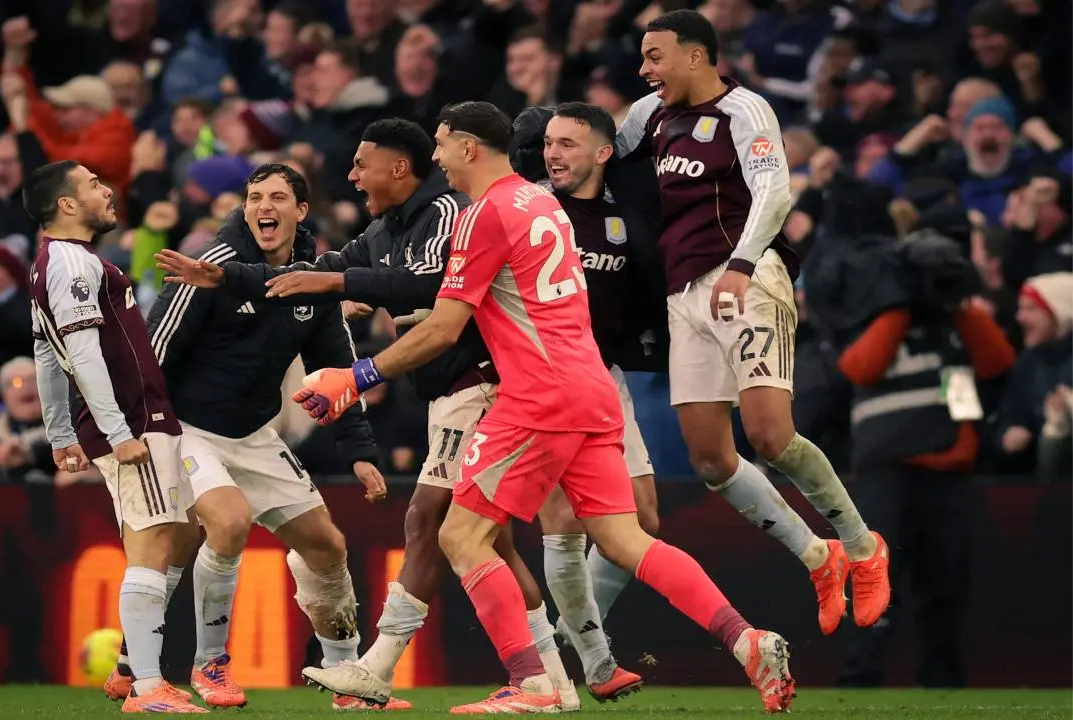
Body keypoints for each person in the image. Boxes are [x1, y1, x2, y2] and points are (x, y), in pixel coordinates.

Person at [295, 101, 795, 714]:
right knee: (623, 540)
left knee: (461, 535)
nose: (438, 160)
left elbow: (444, 328)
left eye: (444, 146)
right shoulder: (544, 205)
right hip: (591, 386)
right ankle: (747, 640)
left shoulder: (486, 214)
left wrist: (356, 374)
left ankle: (532, 683)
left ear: (471, 149)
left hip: (538, 395)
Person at [156, 121, 582, 709]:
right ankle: (555, 678)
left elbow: (423, 291)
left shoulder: (444, 214)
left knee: (432, 524)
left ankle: (380, 670)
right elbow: (297, 292)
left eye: (362, 164)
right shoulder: (374, 233)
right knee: (493, 538)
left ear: (397, 168)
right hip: (201, 427)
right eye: (255, 197)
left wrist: (356, 441)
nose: (353, 176)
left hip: (481, 384)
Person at [615, 9, 891, 636]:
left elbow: (775, 191)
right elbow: (602, 156)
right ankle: (819, 557)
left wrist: (741, 264)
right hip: (684, 294)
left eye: (655, 56)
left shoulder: (745, 110)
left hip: (746, 278)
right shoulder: (647, 115)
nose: (644, 69)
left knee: (769, 435)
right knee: (711, 460)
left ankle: (863, 545)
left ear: (696, 55)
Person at [145, 163, 405, 712]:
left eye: (277, 197)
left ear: (300, 211)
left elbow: (336, 367)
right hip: (189, 428)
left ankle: (344, 675)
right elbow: (157, 349)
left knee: (327, 546)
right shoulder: (210, 266)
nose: (264, 206)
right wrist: (144, 432)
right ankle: (209, 665)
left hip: (254, 434)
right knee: (228, 522)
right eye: (254, 196)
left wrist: (359, 453)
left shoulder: (313, 280)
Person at [23, 161, 204, 714]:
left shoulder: (52, 264)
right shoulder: (73, 264)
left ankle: (131, 669)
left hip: (135, 417)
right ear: (67, 206)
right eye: (94, 185)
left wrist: (59, 432)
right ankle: (149, 689)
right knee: (151, 542)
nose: (107, 191)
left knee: (182, 531)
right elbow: (78, 353)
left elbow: (43, 354)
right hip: (131, 420)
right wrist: (118, 433)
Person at [520, 101, 664, 698]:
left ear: (604, 153)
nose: (553, 154)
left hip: (604, 377)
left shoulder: (625, 215)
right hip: (540, 377)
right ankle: (596, 661)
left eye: (568, 144)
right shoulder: (527, 205)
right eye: (549, 143)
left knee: (645, 521)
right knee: (565, 523)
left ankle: (572, 628)